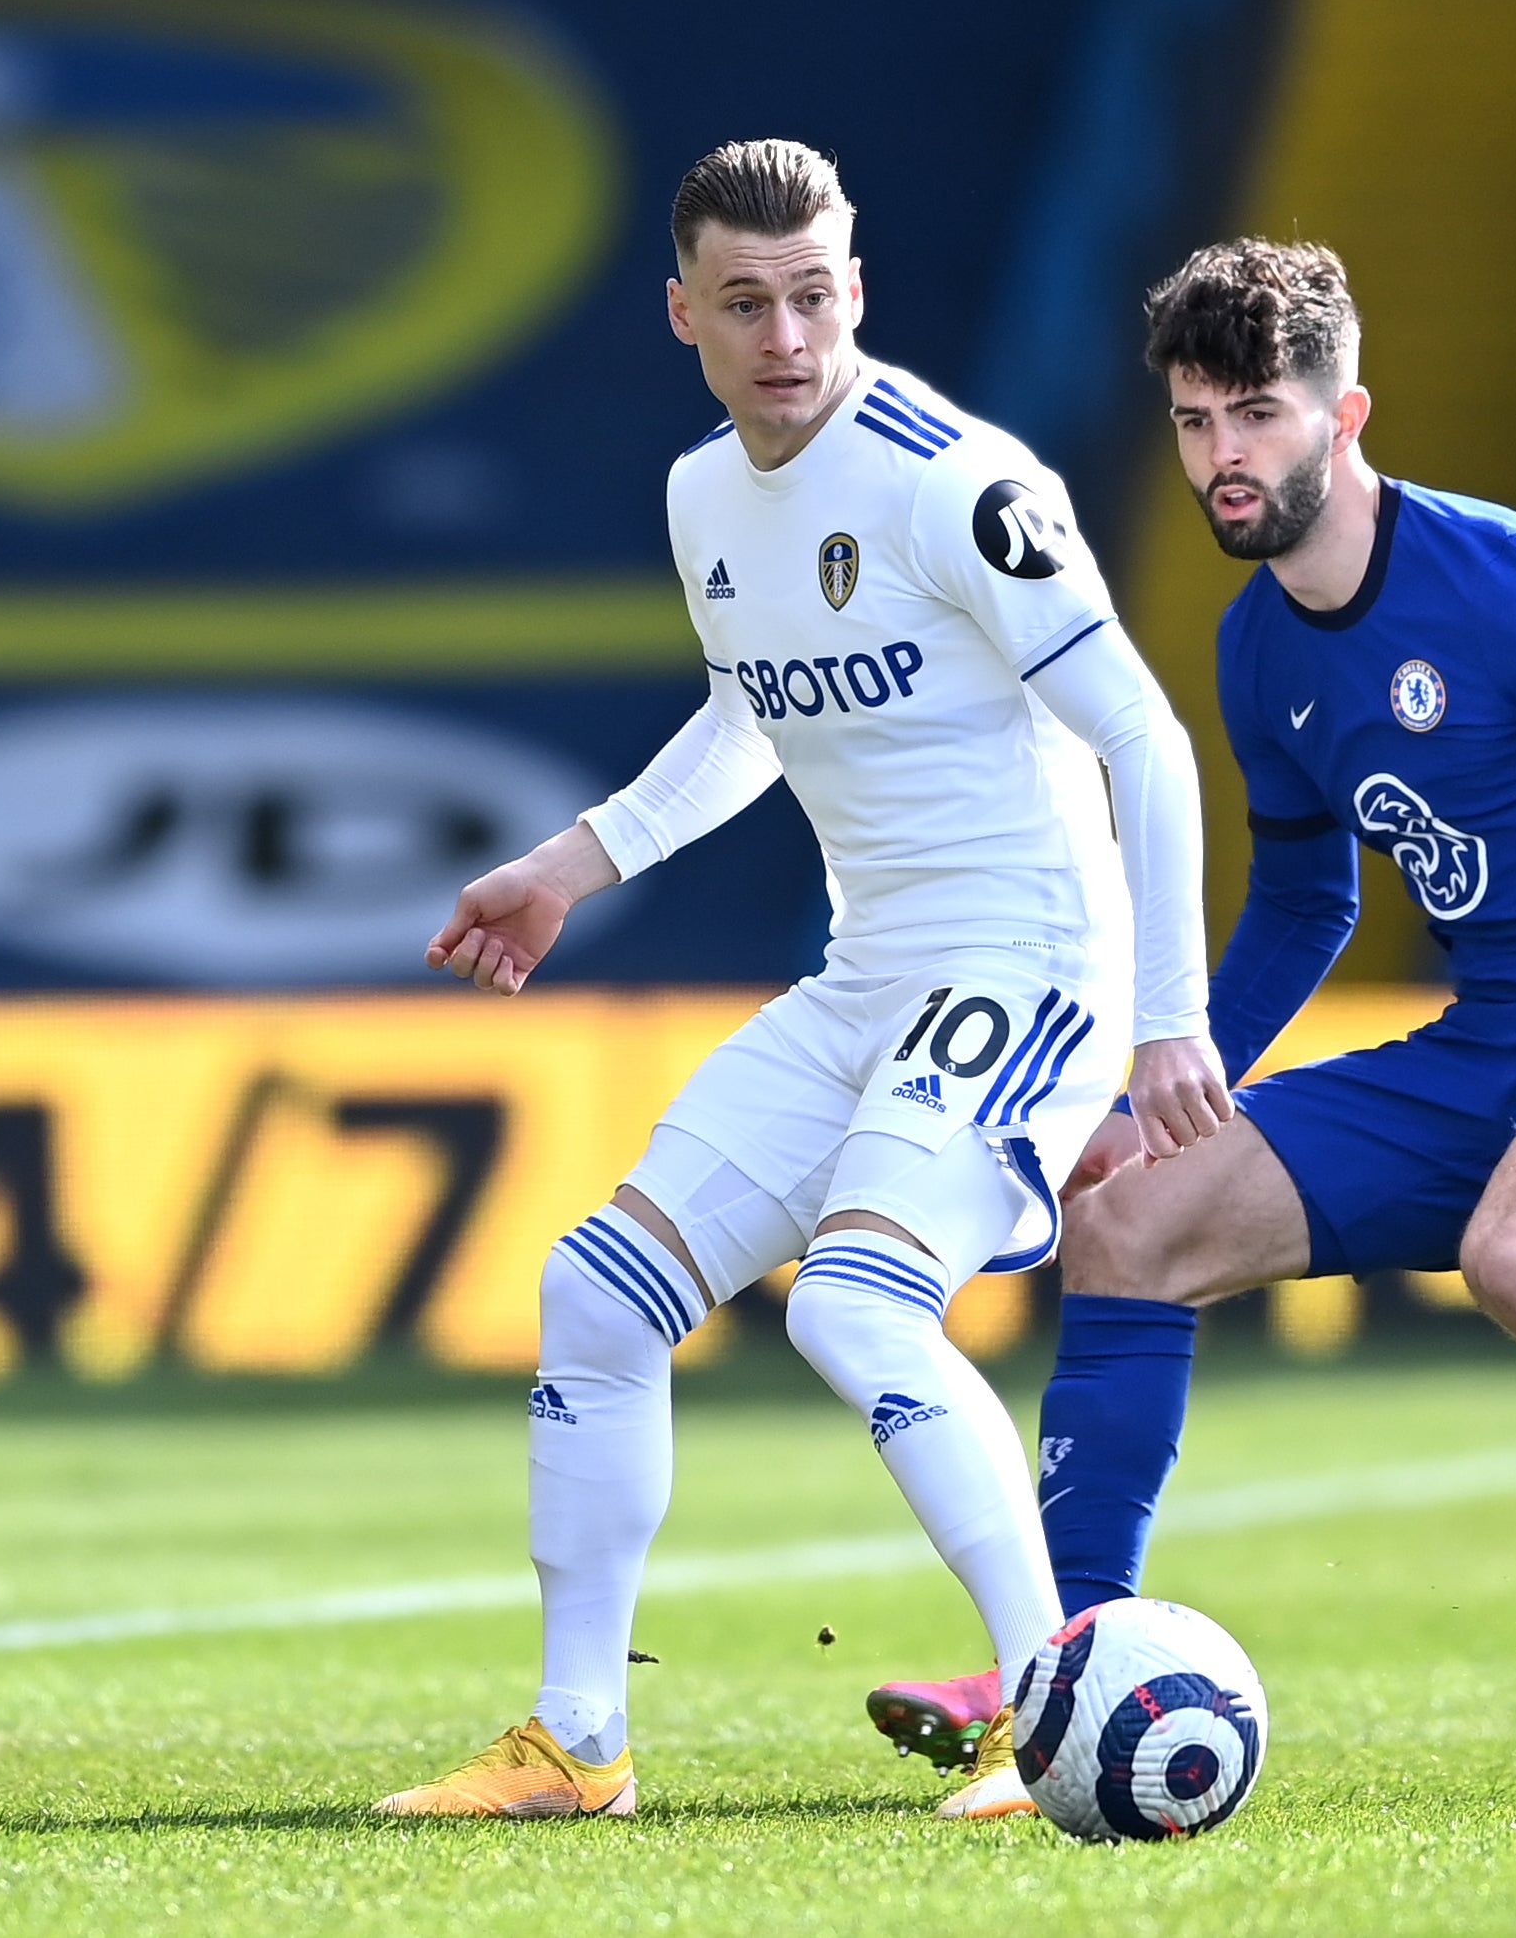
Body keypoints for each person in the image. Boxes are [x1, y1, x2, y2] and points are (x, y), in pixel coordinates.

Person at [865, 238, 1516, 1796]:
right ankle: (1059, 1666)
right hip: (1488, 1041)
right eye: (1197, 422)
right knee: (1129, 1228)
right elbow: (1307, 901)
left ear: (1347, 415)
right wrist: (1167, 1074)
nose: (1225, 456)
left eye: (1259, 417)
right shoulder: (1256, 645)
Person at [376, 140, 1227, 1825]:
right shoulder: (706, 495)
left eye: (817, 294)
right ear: (683, 311)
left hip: (1028, 957)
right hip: (872, 974)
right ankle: (578, 1743)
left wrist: (1166, 1019)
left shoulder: (955, 484)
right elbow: (759, 711)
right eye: (748, 302)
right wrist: (570, 864)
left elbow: (1143, 730)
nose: (788, 335)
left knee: (853, 1304)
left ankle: (1043, 1711)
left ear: (859, 288)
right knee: (598, 1299)